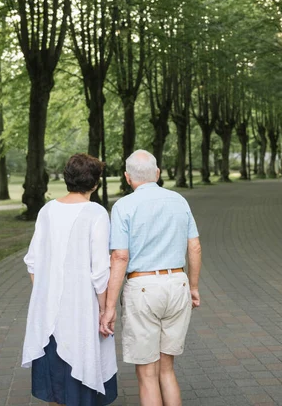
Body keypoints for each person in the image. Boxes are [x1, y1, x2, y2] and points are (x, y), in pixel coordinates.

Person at [101, 149, 201, 406]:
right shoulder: (179, 200)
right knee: (167, 368)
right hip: (178, 284)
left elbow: (120, 257)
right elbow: (195, 246)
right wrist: (194, 286)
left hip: (143, 287)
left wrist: (109, 307)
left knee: (147, 373)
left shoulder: (123, 206)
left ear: (127, 177)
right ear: (157, 173)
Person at [22, 153, 117, 406]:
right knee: (79, 383)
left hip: (48, 313)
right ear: (95, 183)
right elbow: (100, 271)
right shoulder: (96, 213)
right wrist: (105, 309)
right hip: (80, 312)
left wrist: (47, 294)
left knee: (55, 386)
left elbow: (32, 262)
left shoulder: (47, 210)